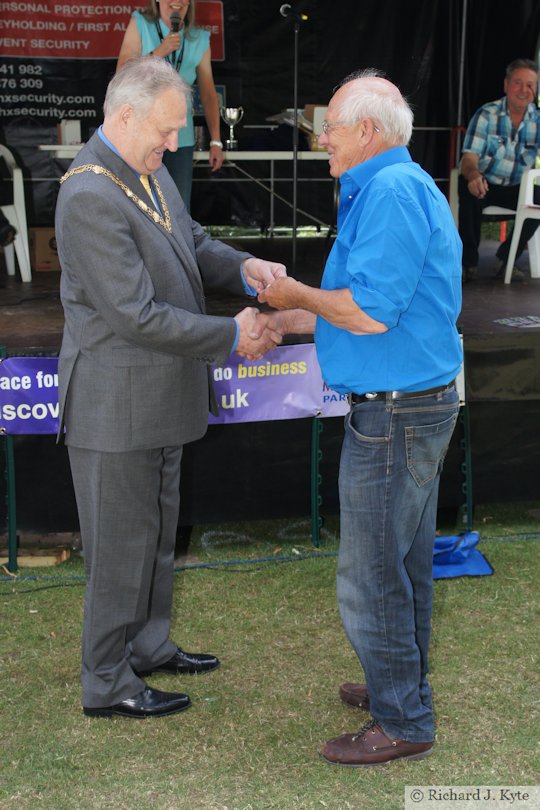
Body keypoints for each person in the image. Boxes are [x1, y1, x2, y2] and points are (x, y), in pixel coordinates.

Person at [55, 56, 286, 719]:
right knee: (119, 548)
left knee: (154, 536)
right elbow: (135, 315)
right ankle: (106, 680)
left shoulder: (143, 171)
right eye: (166, 130)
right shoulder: (90, 194)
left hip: (156, 397)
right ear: (125, 116)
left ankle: (147, 645)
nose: (175, 144)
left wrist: (248, 270)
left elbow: (191, 243)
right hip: (115, 407)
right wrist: (231, 334)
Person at [259, 69, 463, 767]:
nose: (322, 141)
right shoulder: (389, 188)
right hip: (411, 404)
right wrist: (283, 313)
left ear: (369, 132)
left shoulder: (392, 192)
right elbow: (355, 303)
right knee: (400, 563)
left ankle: (402, 716)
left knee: (372, 572)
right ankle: (396, 685)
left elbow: (369, 312)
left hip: (398, 411)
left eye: (332, 127)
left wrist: (294, 293)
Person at [117, 0, 224, 211]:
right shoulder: (140, 23)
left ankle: (176, 245)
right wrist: (160, 51)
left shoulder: (198, 38)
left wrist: (216, 141)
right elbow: (122, 72)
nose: (178, 2)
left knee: (178, 208)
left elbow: (209, 94)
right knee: (141, 207)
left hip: (179, 140)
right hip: (142, 134)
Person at [459, 58, 540, 282]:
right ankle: (468, 264)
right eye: (518, 83)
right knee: (468, 189)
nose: (524, 90)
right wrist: (474, 175)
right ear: (506, 85)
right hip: (485, 182)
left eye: (531, 84)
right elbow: (468, 159)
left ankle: (506, 259)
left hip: (517, 188)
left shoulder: (538, 120)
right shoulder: (486, 114)